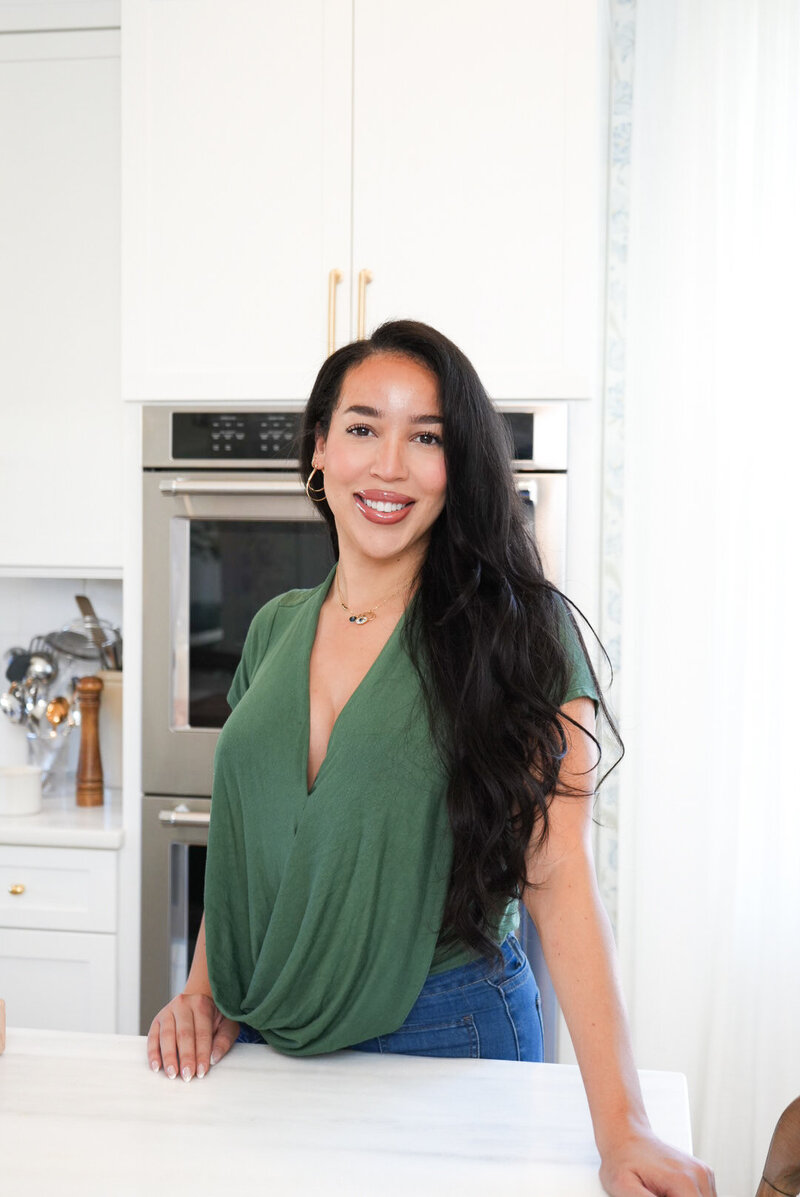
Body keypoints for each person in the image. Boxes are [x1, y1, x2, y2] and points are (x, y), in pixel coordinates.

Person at [147, 320, 715, 1196]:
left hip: (444, 1032)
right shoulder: (273, 627)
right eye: (363, 427)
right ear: (320, 449)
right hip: (265, 1029)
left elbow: (558, 869)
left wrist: (624, 1127)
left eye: (427, 438)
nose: (389, 466)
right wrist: (203, 990)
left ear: (460, 467)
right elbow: (250, 838)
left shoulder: (516, 632)